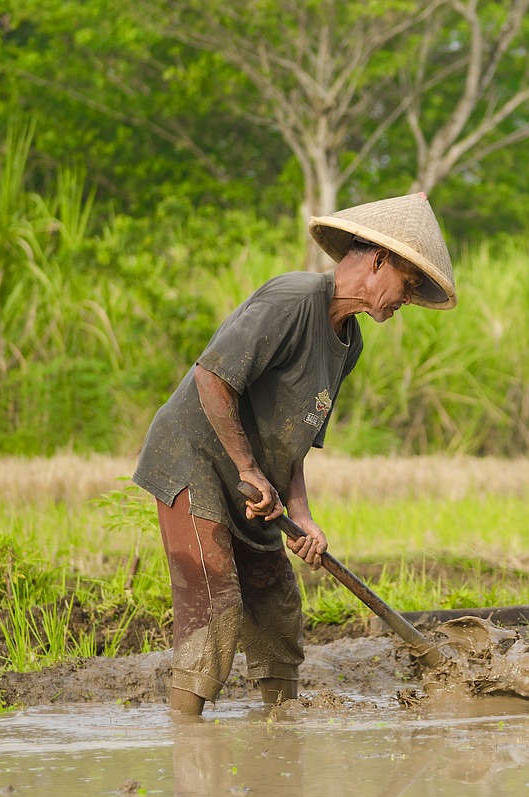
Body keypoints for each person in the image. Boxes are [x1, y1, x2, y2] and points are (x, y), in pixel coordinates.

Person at [132, 192, 456, 716]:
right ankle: (188, 742)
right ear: (378, 262)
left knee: (278, 611)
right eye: (409, 284)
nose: (408, 300)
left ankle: (281, 741)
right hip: (193, 460)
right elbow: (211, 377)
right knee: (215, 608)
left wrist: (301, 514)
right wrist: (246, 469)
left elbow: (295, 439)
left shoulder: (348, 344)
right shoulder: (292, 300)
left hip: (256, 480)